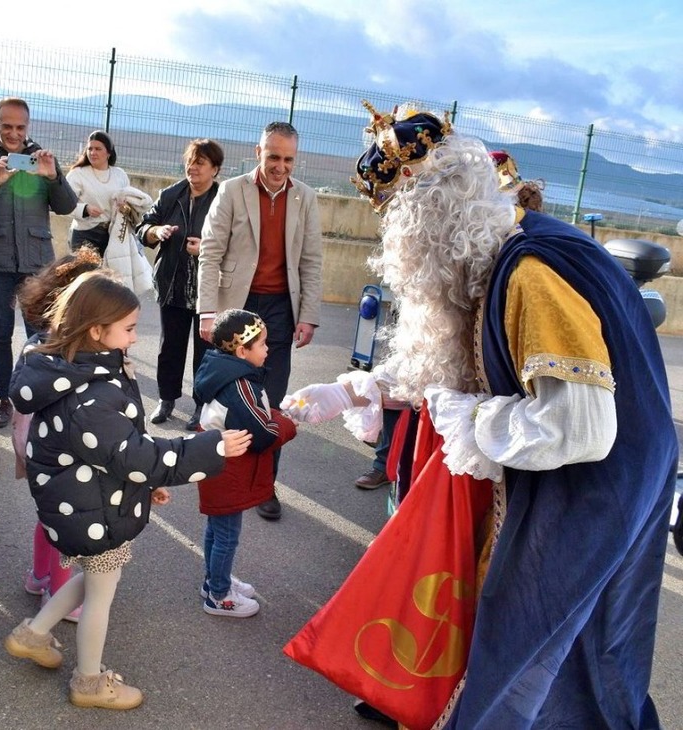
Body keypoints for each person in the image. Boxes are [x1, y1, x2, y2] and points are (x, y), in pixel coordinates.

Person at [288, 104, 677, 728]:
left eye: (397, 227)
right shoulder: (489, 251)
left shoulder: (533, 275)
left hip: (590, 489)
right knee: (515, 633)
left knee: (547, 651)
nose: (396, 249)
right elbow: (451, 358)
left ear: (429, 220)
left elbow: (579, 427)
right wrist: (359, 389)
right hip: (557, 476)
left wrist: (474, 420)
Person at [3, 272, 252, 709]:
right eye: (130, 329)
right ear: (97, 330)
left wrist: (143, 485)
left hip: (89, 499)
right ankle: (89, 682)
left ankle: (34, 634)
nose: (136, 338)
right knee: (101, 594)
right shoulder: (91, 394)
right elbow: (135, 455)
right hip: (92, 511)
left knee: (95, 578)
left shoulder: (76, 365)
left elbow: (115, 452)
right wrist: (210, 446)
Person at [197, 121, 323, 521]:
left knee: (269, 397)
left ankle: (265, 486)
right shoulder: (232, 191)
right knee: (227, 395)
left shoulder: (305, 198)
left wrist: (309, 316)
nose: (280, 166)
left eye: (288, 159)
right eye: (273, 157)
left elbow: (311, 261)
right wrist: (208, 312)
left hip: (281, 310)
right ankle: (220, 476)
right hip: (237, 307)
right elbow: (210, 253)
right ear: (258, 153)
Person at [0, 97, 77, 429]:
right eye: (6, 126)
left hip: (37, 263)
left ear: (28, 126)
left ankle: (40, 399)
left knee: (41, 334)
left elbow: (67, 205)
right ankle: (4, 399)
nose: (13, 133)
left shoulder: (42, 159)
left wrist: (53, 176)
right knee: (0, 333)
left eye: (20, 127)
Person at [13, 247, 104, 623]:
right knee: (65, 521)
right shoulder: (70, 352)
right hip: (60, 450)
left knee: (46, 514)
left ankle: (39, 577)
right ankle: (58, 592)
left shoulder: (38, 342)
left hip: (32, 443)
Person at [193, 309, 298, 618]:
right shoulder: (240, 386)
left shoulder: (221, 368)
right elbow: (264, 434)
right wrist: (287, 423)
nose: (268, 349)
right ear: (242, 350)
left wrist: (274, 413)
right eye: (263, 344)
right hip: (230, 469)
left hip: (218, 463)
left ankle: (214, 581)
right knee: (226, 533)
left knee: (217, 526)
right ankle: (220, 596)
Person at [137, 138, 223, 430]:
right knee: (170, 347)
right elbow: (143, 228)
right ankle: (166, 399)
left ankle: (202, 406)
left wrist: (206, 248)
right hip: (172, 284)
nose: (192, 166)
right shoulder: (171, 194)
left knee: (206, 352)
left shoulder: (224, 199)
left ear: (215, 169)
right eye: (190, 160)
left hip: (208, 290)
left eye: (200, 162)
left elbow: (236, 242)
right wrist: (156, 231)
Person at [64, 130, 131, 256]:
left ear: (109, 152)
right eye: (90, 149)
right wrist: (85, 209)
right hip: (84, 235)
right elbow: (64, 205)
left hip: (113, 235)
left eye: (98, 149)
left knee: (109, 275)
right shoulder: (77, 174)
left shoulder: (120, 175)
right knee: (87, 275)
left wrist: (125, 207)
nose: (93, 153)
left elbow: (130, 201)